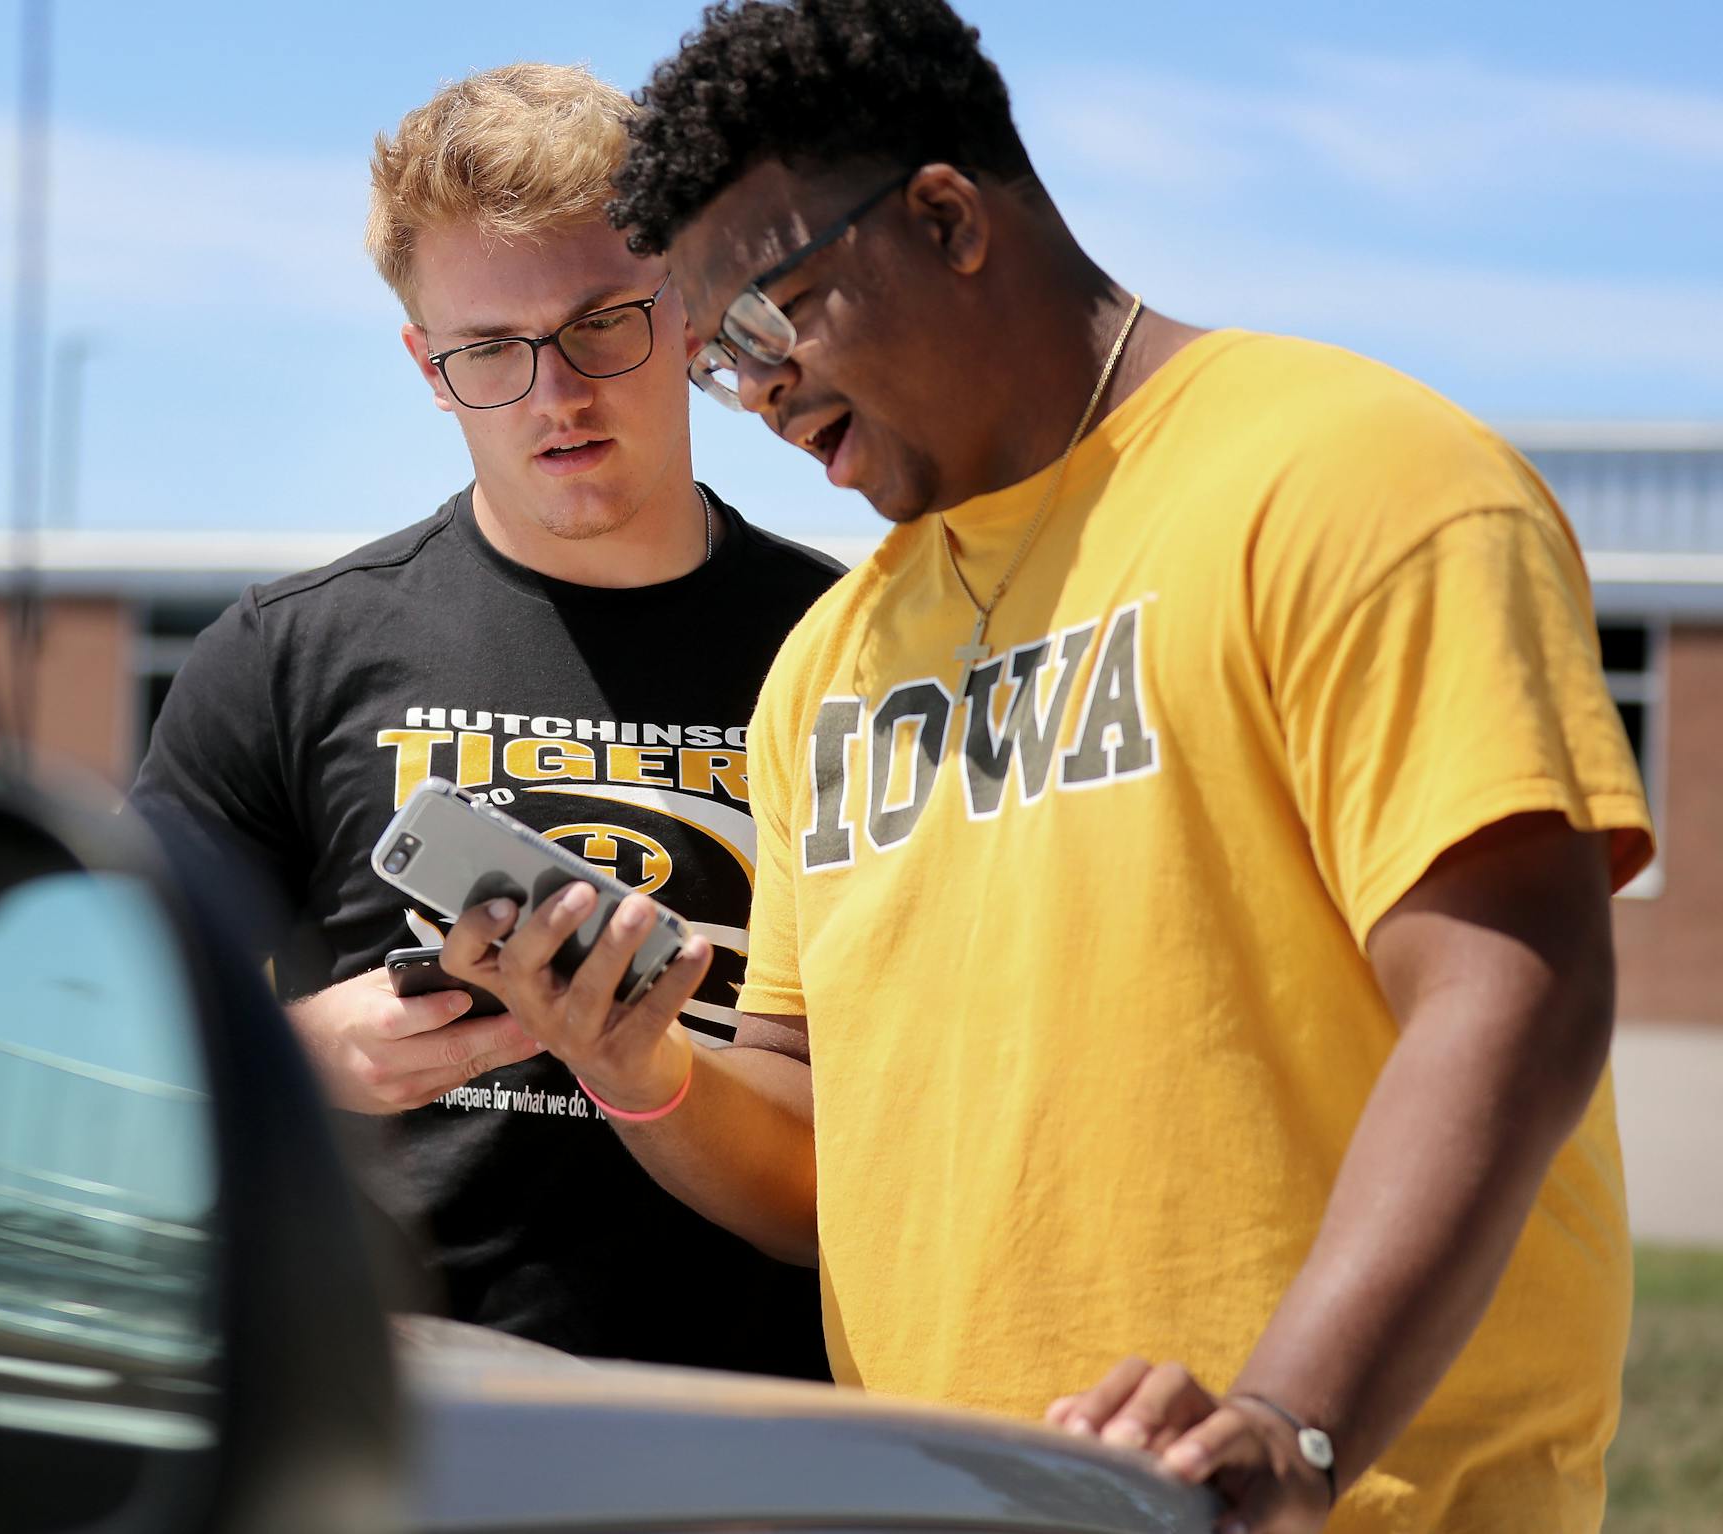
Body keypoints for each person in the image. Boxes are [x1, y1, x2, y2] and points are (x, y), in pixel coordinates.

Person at [435, 3, 1654, 1529]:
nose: (754, 393)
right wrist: (636, 1060)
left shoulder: (1355, 481)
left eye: (765, 319)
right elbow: (828, 1156)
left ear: (946, 219)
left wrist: (1293, 1425)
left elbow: (1515, 997)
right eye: (714, 358)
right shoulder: (831, 660)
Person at [129, 63, 840, 1378]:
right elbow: (102, 1033)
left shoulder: (849, 648)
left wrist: (648, 1057)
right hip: (405, 1432)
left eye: (600, 326)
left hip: (757, 1449)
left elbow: (888, 1133)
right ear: (427, 366)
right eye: (489, 351)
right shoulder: (287, 657)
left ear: (686, 310)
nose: (554, 393)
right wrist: (304, 1053)